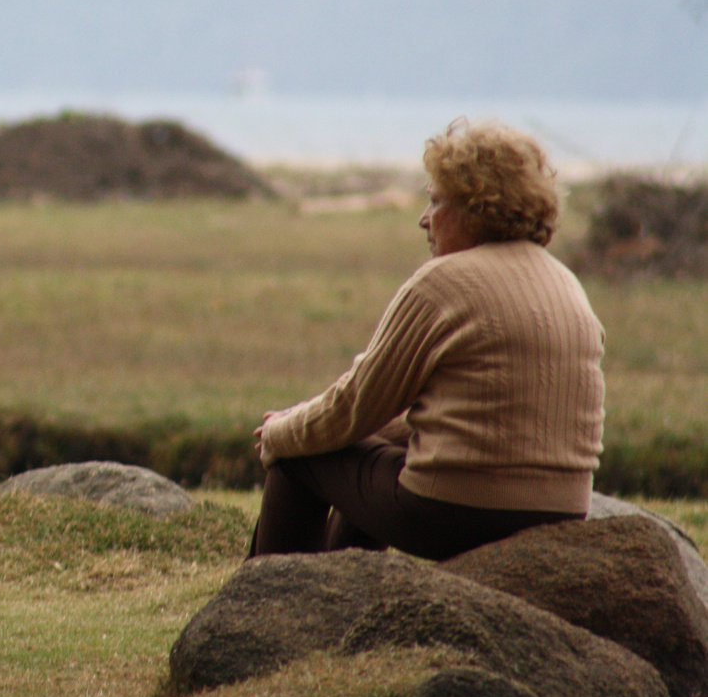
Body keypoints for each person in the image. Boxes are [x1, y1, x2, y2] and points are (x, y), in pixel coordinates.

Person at [248, 118, 605, 561]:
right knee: (369, 449)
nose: (424, 219)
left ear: (477, 209)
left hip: (458, 511)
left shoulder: (443, 283)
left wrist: (280, 432)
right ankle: (340, 596)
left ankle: (274, 608)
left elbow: (355, 406)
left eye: (436, 201)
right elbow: (454, 421)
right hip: (563, 512)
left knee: (300, 456)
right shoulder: (566, 284)